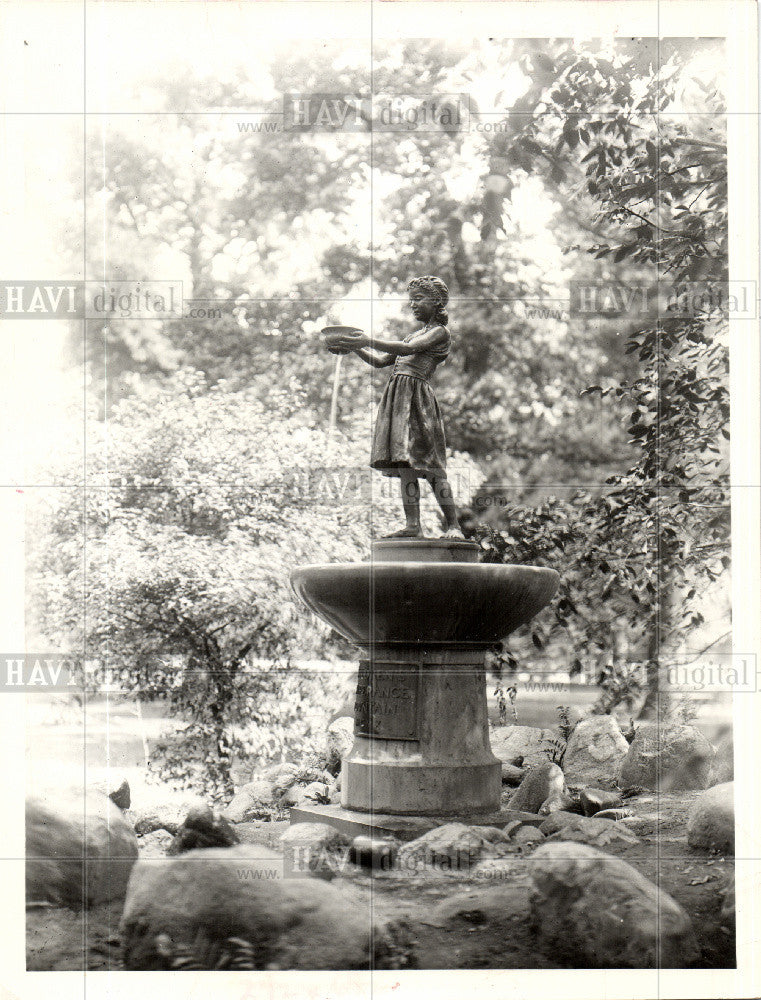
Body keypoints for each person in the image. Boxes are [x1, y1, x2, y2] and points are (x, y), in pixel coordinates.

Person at [330, 275, 464, 539]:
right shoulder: (415, 333)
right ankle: (413, 525)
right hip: (398, 399)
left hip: (418, 400)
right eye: (411, 300)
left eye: (418, 299)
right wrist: (354, 348)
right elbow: (381, 362)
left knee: (431, 465)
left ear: (436, 301)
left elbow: (405, 349)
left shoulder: (440, 332)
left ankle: (454, 525)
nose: (412, 305)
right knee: (406, 465)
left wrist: (365, 340)